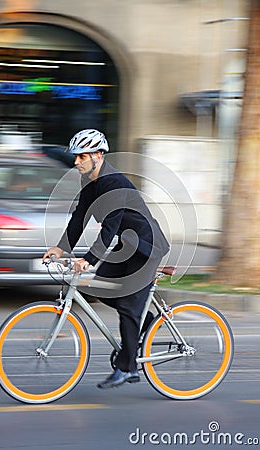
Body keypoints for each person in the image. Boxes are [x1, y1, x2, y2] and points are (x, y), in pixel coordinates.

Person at [43, 129, 170, 389]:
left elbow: (110, 226)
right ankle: (144, 323)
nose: (76, 161)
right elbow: (80, 217)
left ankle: (128, 368)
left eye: (82, 156)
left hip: (147, 248)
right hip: (127, 245)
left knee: (127, 307)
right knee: (95, 286)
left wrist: (88, 259)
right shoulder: (89, 181)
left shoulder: (115, 182)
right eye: (76, 157)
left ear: (98, 156)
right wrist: (60, 248)